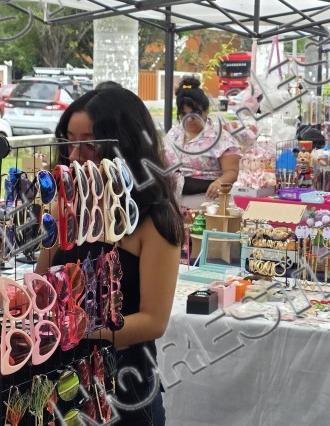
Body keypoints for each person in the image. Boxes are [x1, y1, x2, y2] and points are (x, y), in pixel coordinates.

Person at [44, 87, 183, 425]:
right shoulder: (69, 208)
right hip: (62, 383)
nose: (75, 156)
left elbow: (154, 321)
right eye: (68, 142)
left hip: (124, 386)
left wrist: (77, 329)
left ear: (124, 146)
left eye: (89, 144)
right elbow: (43, 285)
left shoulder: (153, 220)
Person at [164, 77, 240, 200]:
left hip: (208, 200)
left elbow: (232, 171)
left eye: (196, 113)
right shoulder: (173, 133)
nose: (190, 119)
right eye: (184, 114)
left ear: (206, 111)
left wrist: (219, 183)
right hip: (174, 200)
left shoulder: (221, 137)